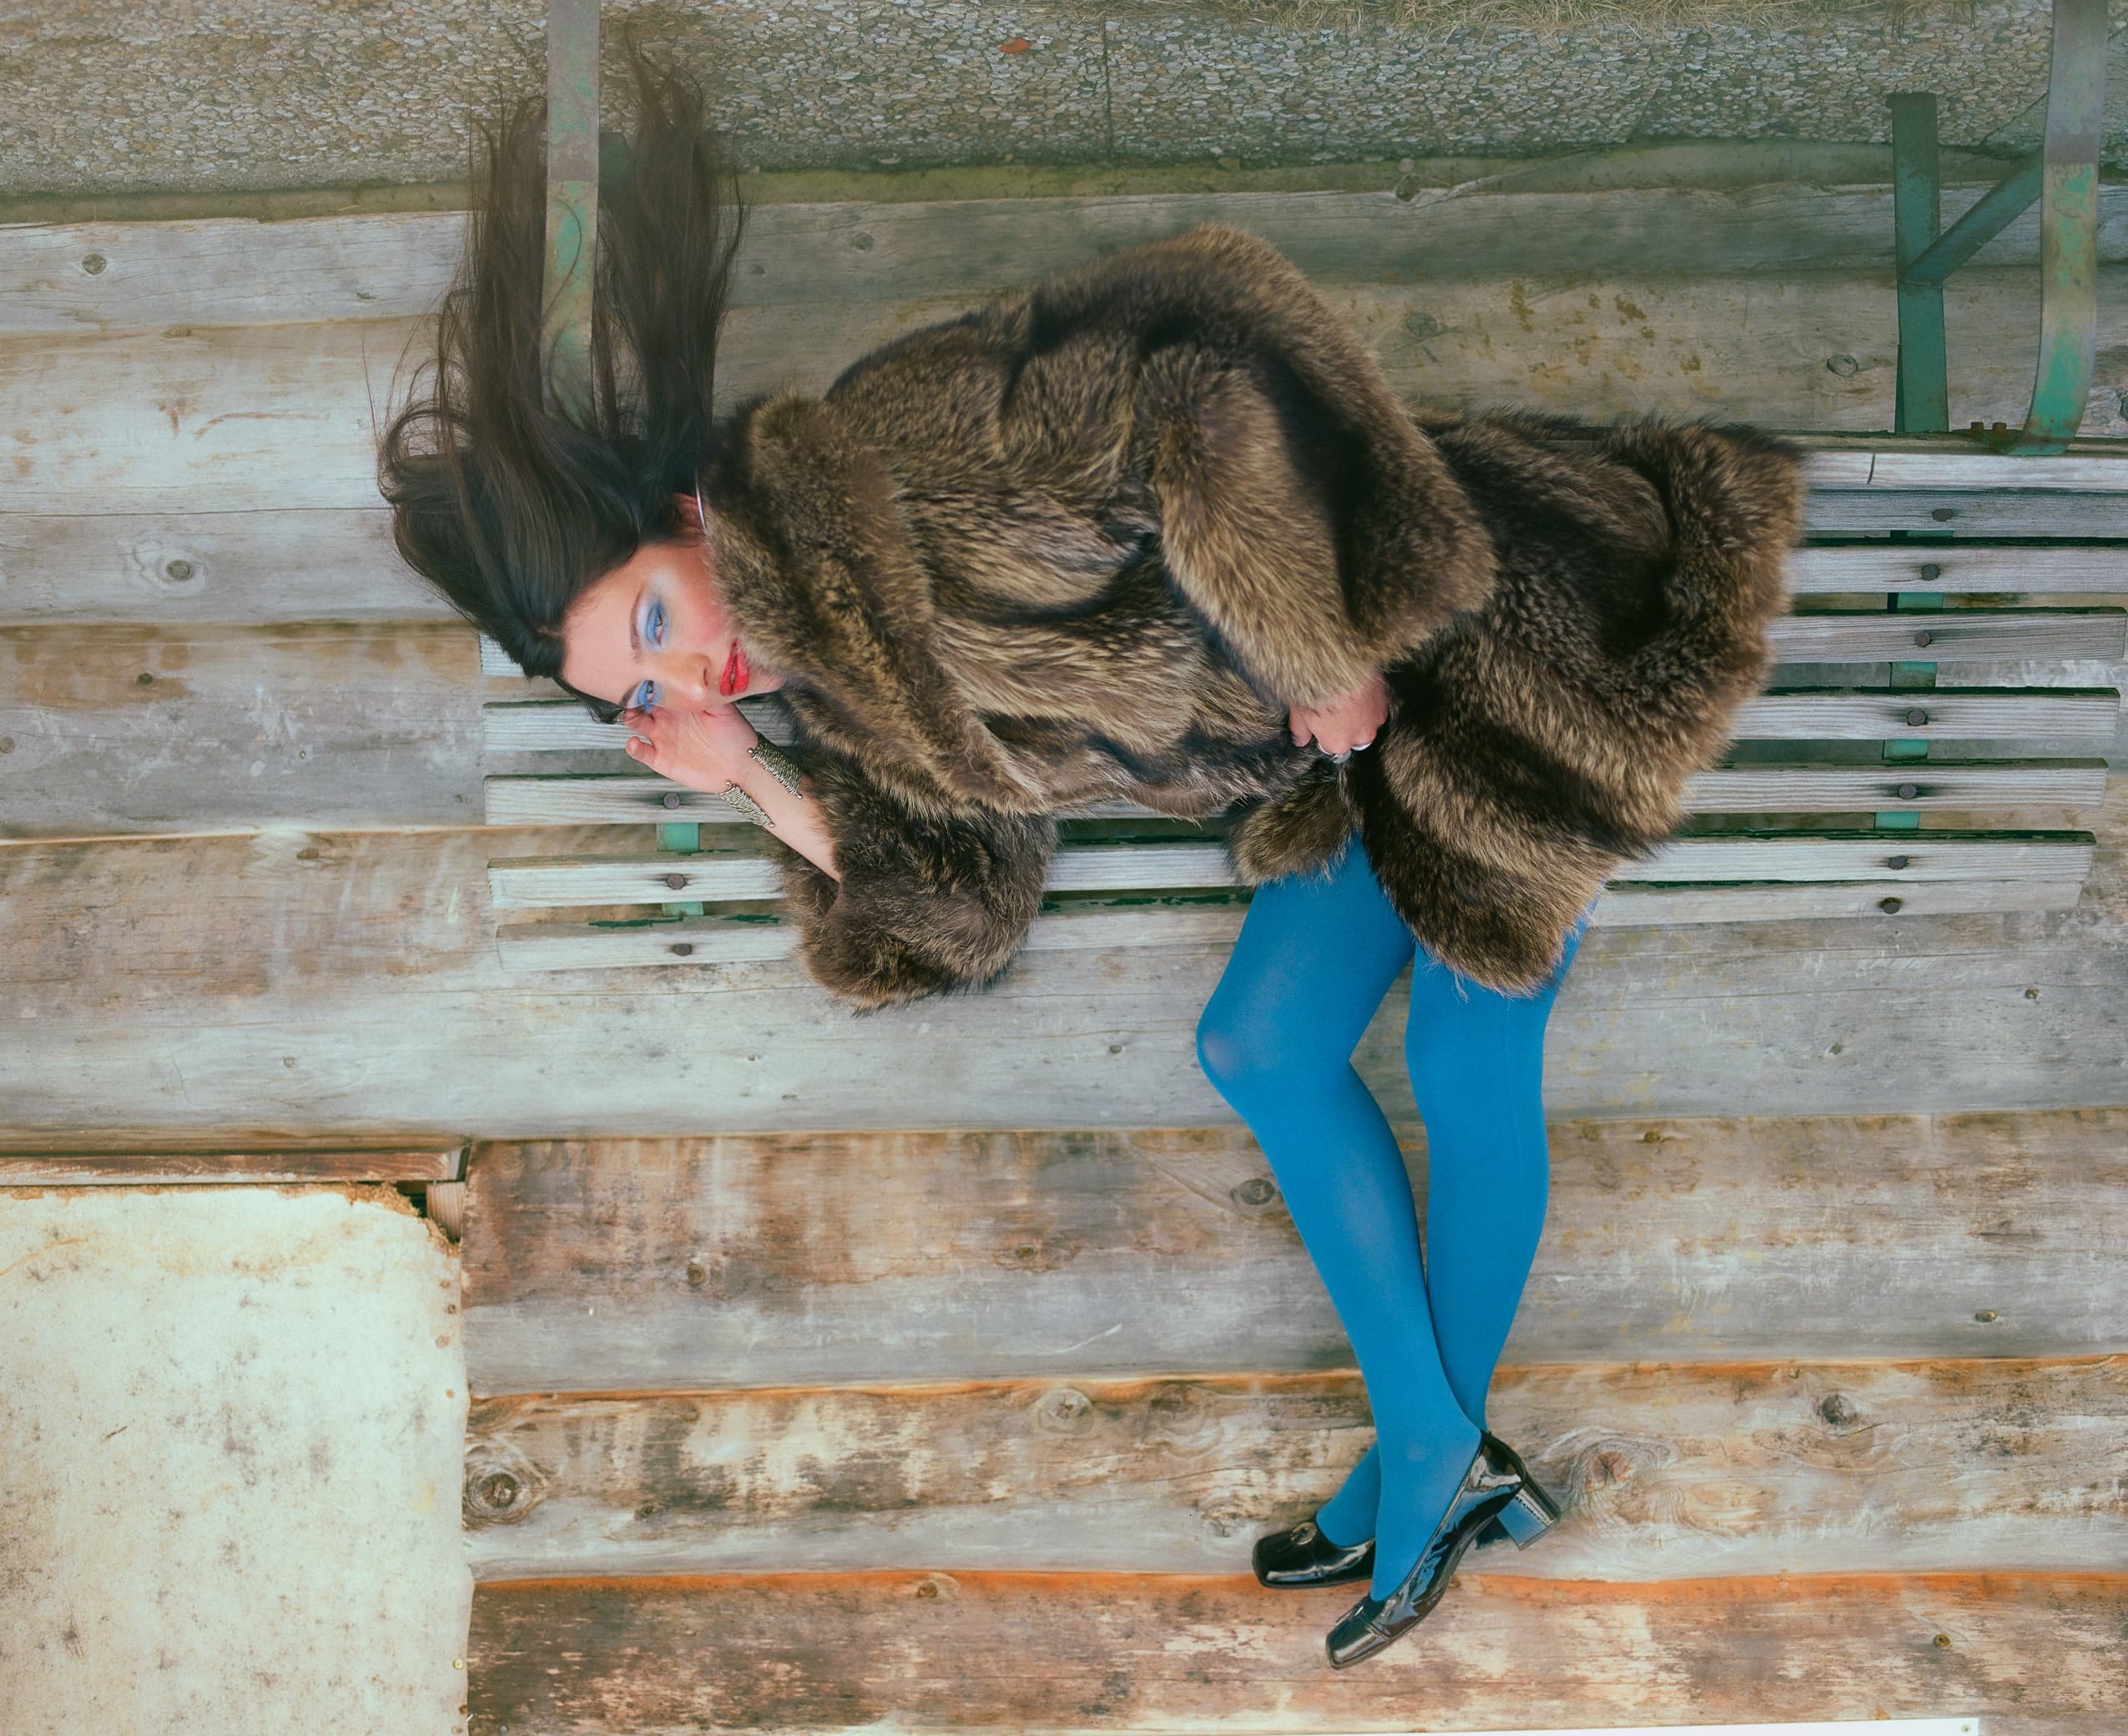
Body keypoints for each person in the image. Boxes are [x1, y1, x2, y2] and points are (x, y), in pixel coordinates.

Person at [380, 54, 1803, 1667]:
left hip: (1477, 636)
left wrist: (1314, 641)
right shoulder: (833, 699)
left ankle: (1421, 1464)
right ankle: (1437, 1460)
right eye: (640, 694)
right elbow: (957, 914)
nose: (682, 675)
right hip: (1338, 764)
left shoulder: (884, 456)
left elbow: (1187, 384)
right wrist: (756, 781)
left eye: (656, 621)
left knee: (1475, 1056)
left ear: (695, 519)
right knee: (1257, 1043)